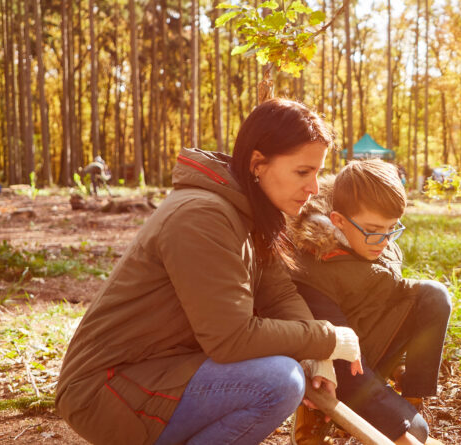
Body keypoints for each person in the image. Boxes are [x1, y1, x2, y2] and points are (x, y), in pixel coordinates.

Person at [54, 98, 360, 445]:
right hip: (107, 390)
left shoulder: (252, 209)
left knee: (285, 374)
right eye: (303, 172)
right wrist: (328, 338)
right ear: (258, 164)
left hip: (160, 369)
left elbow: (279, 294)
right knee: (278, 382)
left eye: (317, 172)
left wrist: (317, 357)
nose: (315, 188)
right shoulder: (202, 216)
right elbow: (231, 339)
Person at [287, 160, 451, 445]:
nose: (384, 241)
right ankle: (314, 419)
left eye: (392, 229)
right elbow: (339, 353)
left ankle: (409, 400)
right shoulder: (317, 265)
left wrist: (401, 367)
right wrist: (399, 430)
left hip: (370, 351)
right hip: (339, 370)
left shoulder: (371, 241)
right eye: (375, 230)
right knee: (416, 433)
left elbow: (389, 304)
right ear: (337, 221)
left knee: (434, 295)